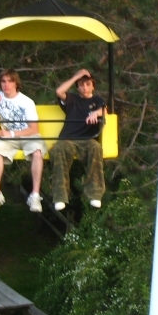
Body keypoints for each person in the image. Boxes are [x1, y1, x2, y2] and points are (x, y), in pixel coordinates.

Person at [0, 69, 47, 213]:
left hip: (26, 135)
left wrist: (12, 132)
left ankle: (35, 195)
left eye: (10, 81)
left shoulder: (26, 102)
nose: (6, 85)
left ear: (16, 83)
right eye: (3, 81)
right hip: (8, 138)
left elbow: (34, 129)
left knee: (37, 153)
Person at [50, 68, 107, 211]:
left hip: (87, 139)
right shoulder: (72, 100)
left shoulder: (97, 100)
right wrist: (76, 76)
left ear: (93, 85)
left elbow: (105, 109)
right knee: (58, 150)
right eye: (81, 84)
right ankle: (60, 197)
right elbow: (59, 92)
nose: (85, 87)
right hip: (68, 139)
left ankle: (94, 194)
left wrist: (96, 112)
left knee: (96, 148)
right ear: (77, 86)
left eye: (88, 84)